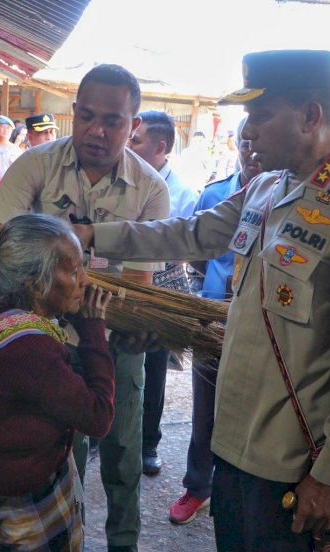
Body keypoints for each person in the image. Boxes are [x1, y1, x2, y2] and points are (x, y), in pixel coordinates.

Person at [73, 50, 330, 551]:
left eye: (261, 114)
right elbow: (191, 232)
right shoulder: (269, 187)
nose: (248, 130)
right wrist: (91, 235)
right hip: (232, 442)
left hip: (291, 460)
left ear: (312, 115)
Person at [0, 63, 170, 552]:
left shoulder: (150, 189)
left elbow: (138, 284)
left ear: (135, 125)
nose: (95, 131)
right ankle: (71, 536)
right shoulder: (35, 166)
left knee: (123, 449)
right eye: (85, 116)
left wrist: (106, 327)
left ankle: (122, 543)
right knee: (65, 449)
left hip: (110, 332)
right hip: (42, 342)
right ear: (73, 113)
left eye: (112, 120)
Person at [0, 214, 115, 551]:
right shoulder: (29, 347)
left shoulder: (0, 312)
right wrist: (94, 332)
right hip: (21, 499)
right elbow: (98, 417)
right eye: (74, 271)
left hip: (11, 480)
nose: (85, 280)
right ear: (35, 283)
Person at [168, 116, 263, 525]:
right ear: (235, 144)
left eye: (258, 141)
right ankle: (198, 487)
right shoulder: (215, 194)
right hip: (214, 318)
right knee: (205, 407)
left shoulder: (293, 199)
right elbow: (196, 249)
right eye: (245, 141)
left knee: (256, 411)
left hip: (263, 325)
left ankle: (243, 493)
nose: (252, 150)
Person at [127, 109, 198, 476]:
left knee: (153, 371)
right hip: (120, 289)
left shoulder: (183, 194)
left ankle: (147, 445)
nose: (128, 144)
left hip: (160, 295)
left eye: (135, 140)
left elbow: (184, 249)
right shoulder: (121, 180)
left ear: (160, 146)